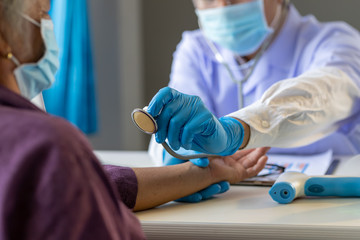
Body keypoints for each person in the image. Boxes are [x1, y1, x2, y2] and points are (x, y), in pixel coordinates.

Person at [0, 0, 270, 239]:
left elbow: (81, 184)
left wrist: (203, 173)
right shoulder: (48, 146)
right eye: (43, 13)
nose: (50, 27)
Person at [148, 0, 360, 201]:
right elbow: (177, 117)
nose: (223, 7)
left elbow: (326, 93)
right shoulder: (195, 49)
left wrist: (237, 130)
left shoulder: (336, 41)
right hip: (228, 203)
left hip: (324, 201)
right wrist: (182, 162)